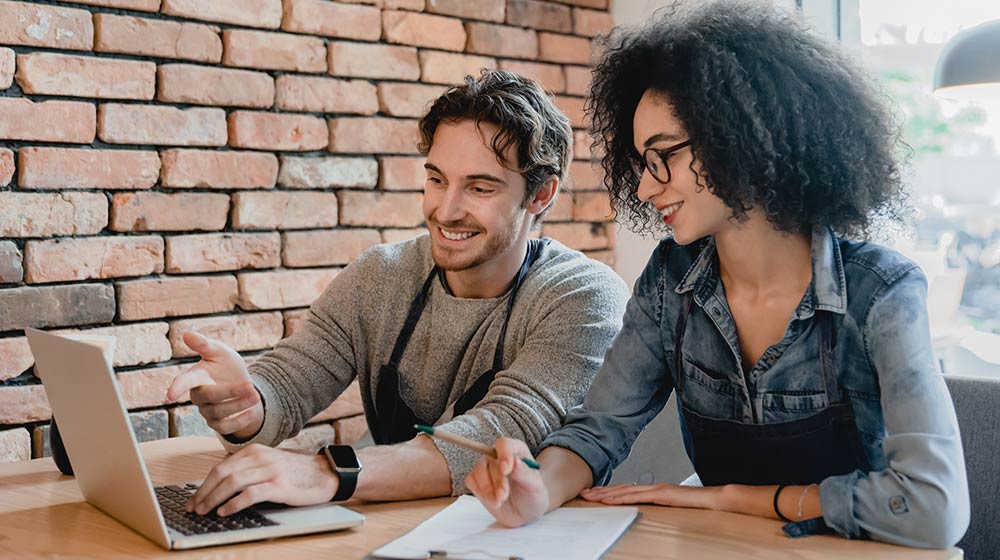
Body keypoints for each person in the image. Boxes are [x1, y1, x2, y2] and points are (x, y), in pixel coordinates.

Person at [466, 1, 970, 549]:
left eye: (664, 156)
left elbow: (932, 508)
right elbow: (598, 430)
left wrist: (734, 497)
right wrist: (536, 488)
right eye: (641, 162)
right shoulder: (669, 283)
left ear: (743, 140)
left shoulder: (881, 293)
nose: (645, 187)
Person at [166, 69, 629, 516]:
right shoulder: (380, 275)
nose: (446, 211)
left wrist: (327, 472)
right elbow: (290, 379)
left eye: (480, 187)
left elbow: (506, 428)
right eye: (437, 179)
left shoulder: (584, 297)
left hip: (525, 541)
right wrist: (249, 403)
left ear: (540, 195)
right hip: (398, 530)